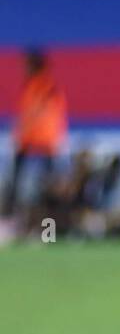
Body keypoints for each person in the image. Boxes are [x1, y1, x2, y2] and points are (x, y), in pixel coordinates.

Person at [4, 49, 68, 219]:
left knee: (48, 182)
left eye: (27, 65)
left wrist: (22, 133)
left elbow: (38, 114)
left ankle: (50, 218)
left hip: (42, 140)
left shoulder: (45, 86)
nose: (24, 68)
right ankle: (16, 215)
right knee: (21, 180)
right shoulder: (34, 84)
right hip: (34, 139)